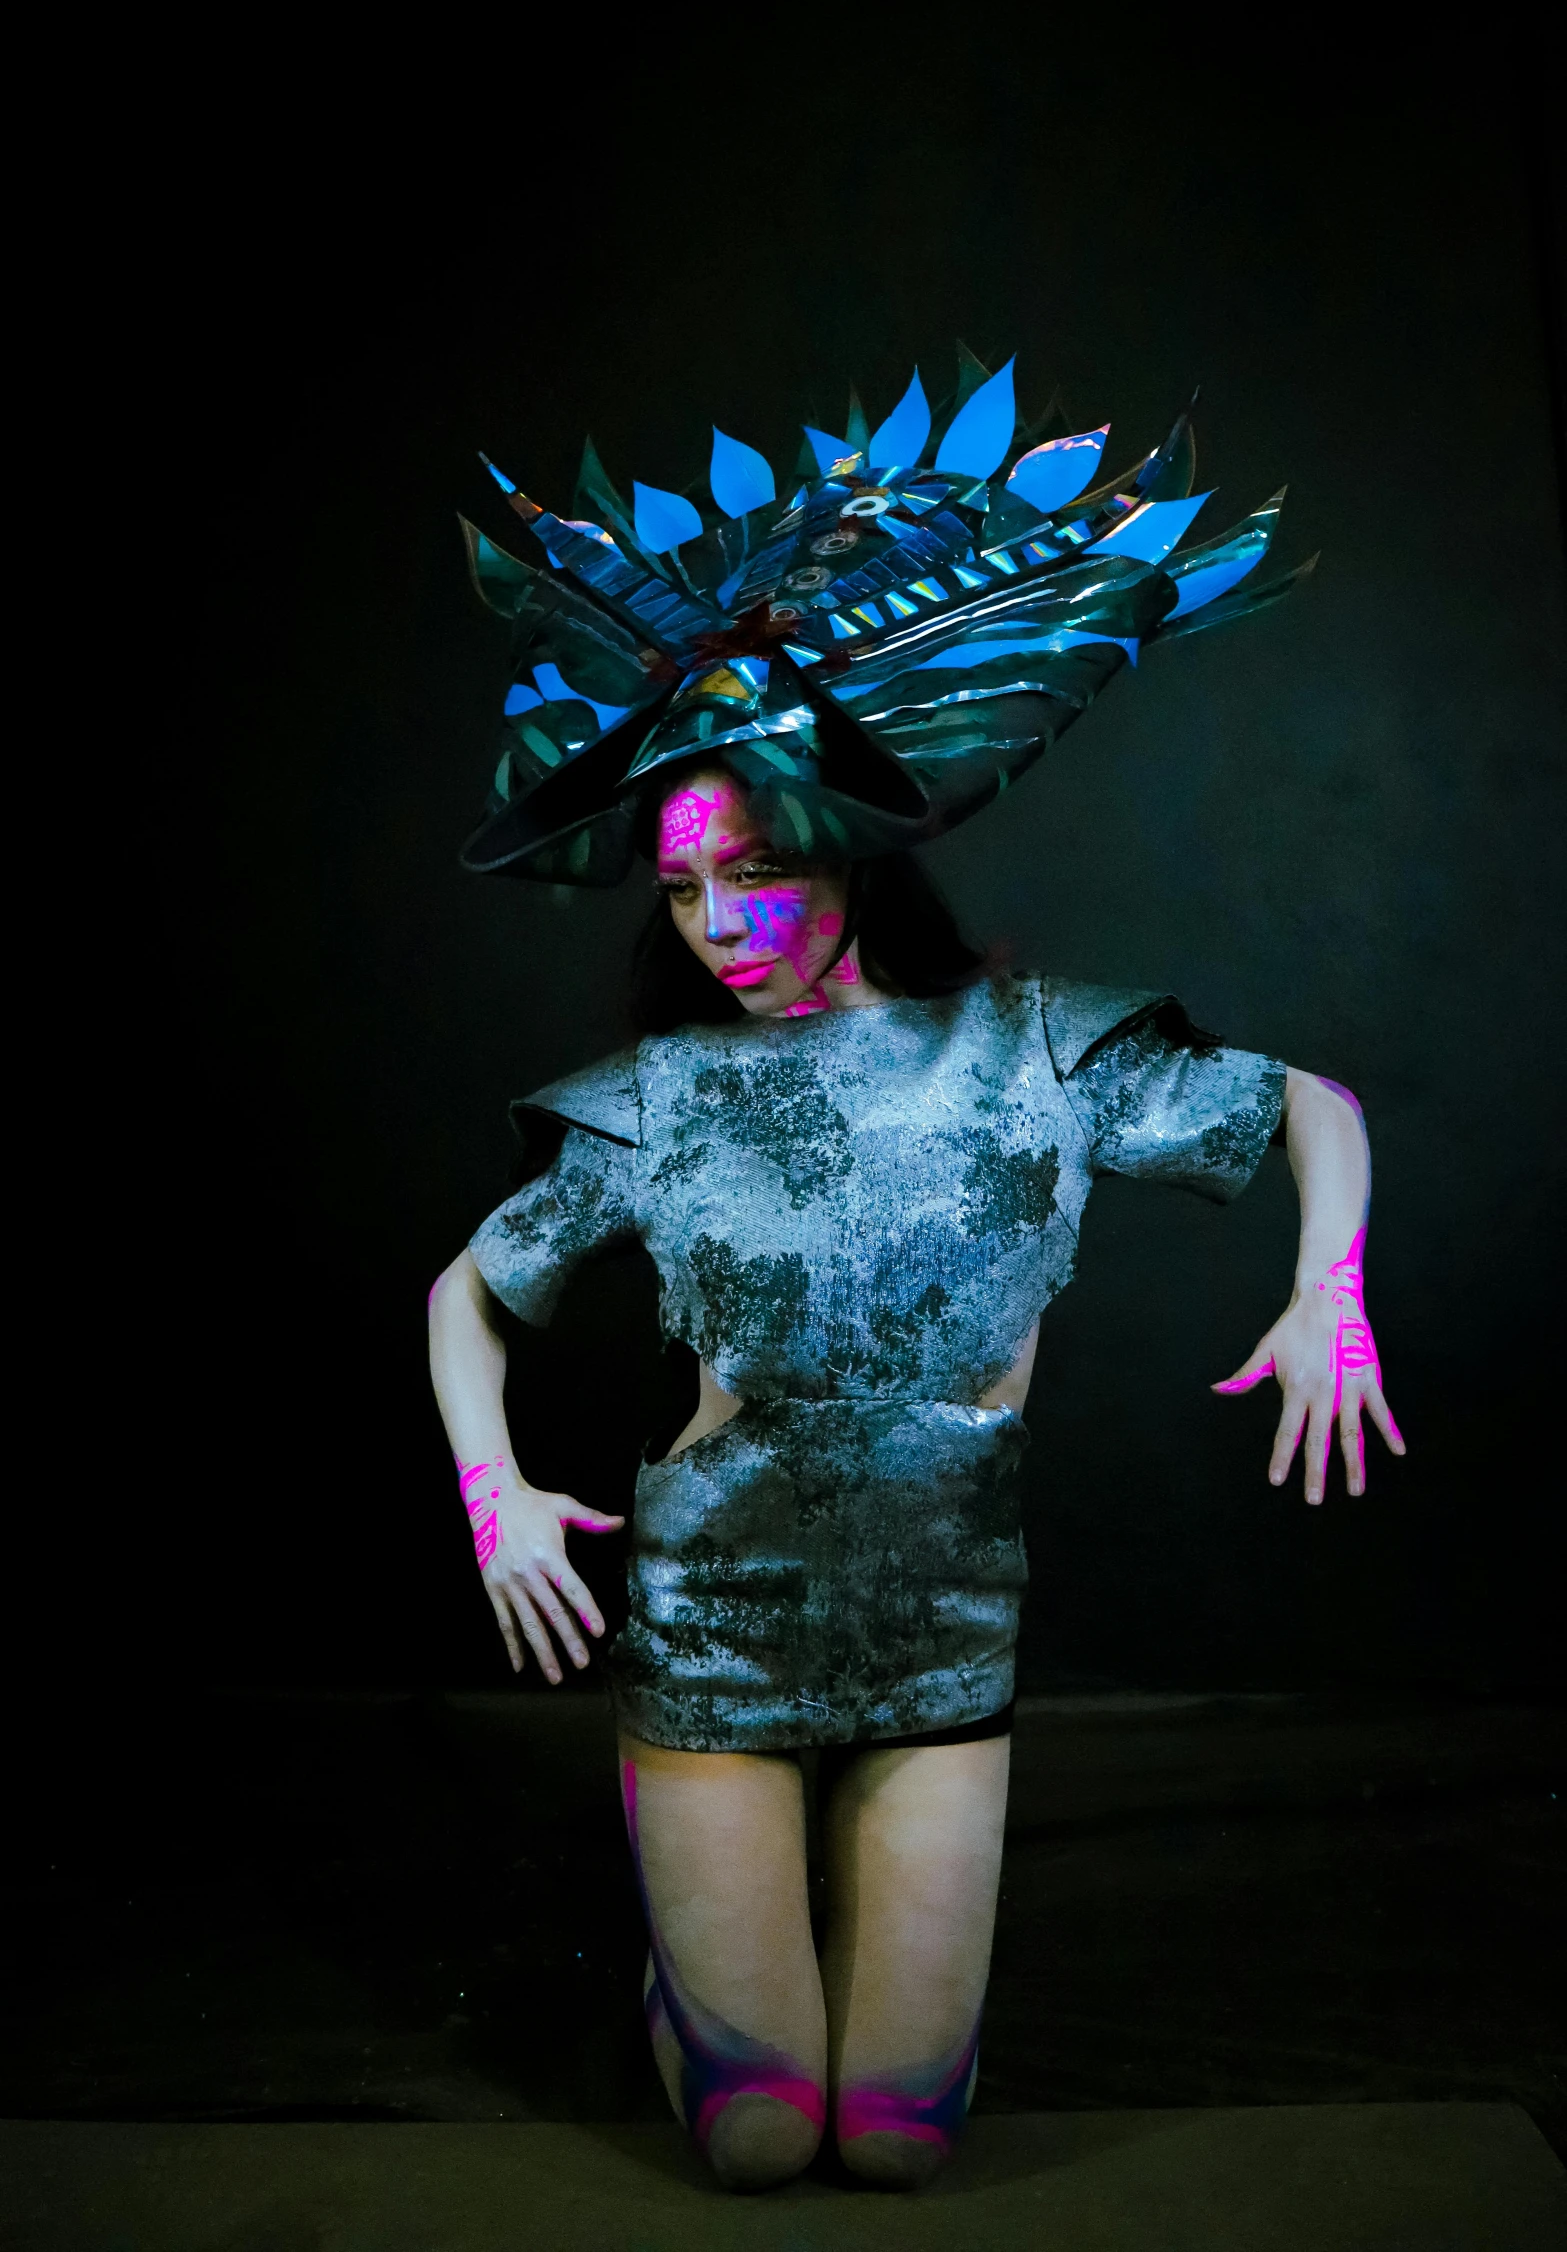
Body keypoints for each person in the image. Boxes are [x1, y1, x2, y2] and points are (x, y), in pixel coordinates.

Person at [427, 357, 1403, 2191]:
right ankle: (685, 1968)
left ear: (854, 858)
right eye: (686, 887)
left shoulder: (1034, 1047)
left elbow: (1308, 1106)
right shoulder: (658, 1094)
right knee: (751, 2136)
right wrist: (496, 1499)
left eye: (761, 875)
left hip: (945, 1625)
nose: (721, 922)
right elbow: (463, 1290)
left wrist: (1323, 1288)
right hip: (710, 1626)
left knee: (889, 2143)